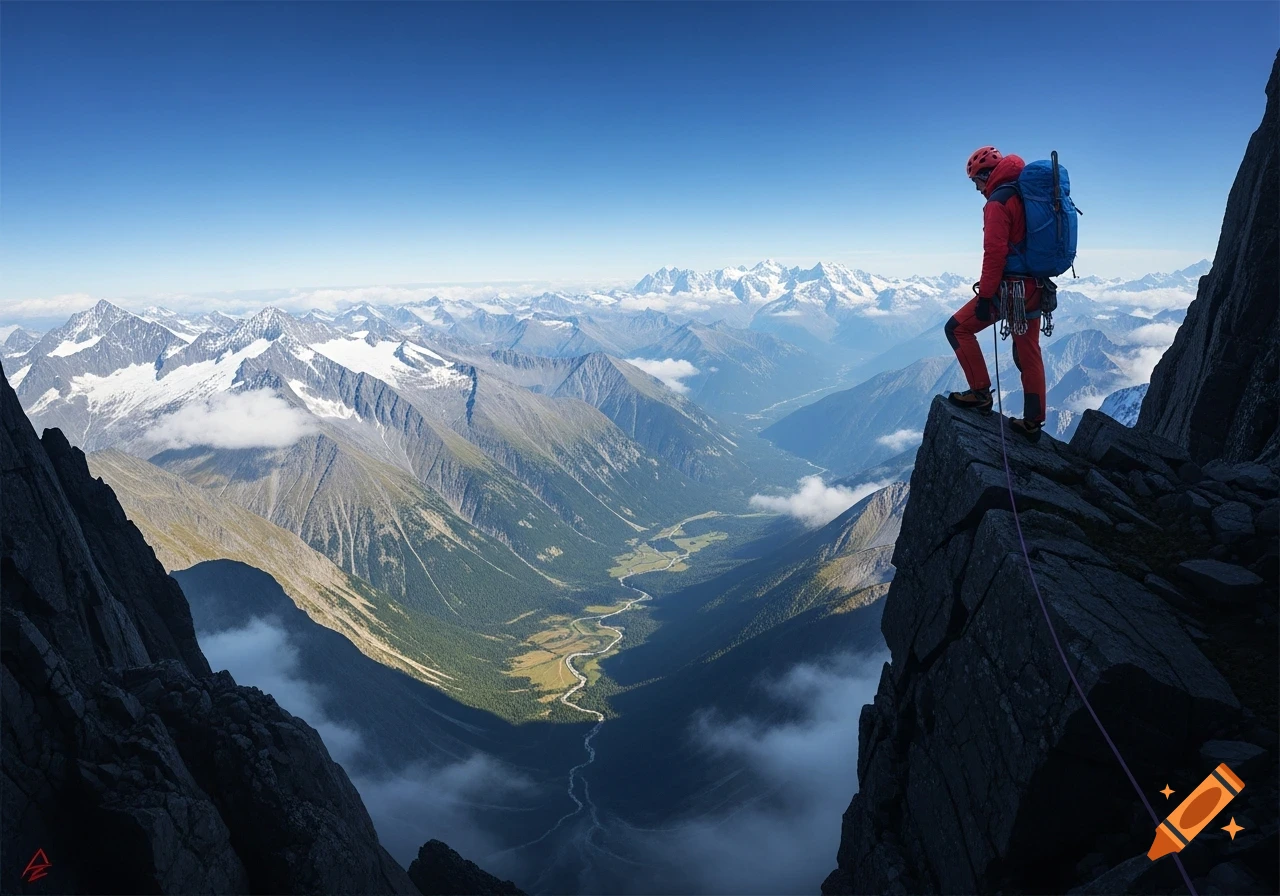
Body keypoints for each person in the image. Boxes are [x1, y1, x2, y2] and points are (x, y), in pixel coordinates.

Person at [944, 145, 1047, 442]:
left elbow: (994, 254)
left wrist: (986, 297)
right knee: (1028, 352)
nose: (977, 189)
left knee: (957, 329)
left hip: (1009, 290)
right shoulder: (1025, 195)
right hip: (1036, 286)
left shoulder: (998, 203)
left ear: (987, 175)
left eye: (977, 181)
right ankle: (1032, 423)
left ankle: (979, 393)